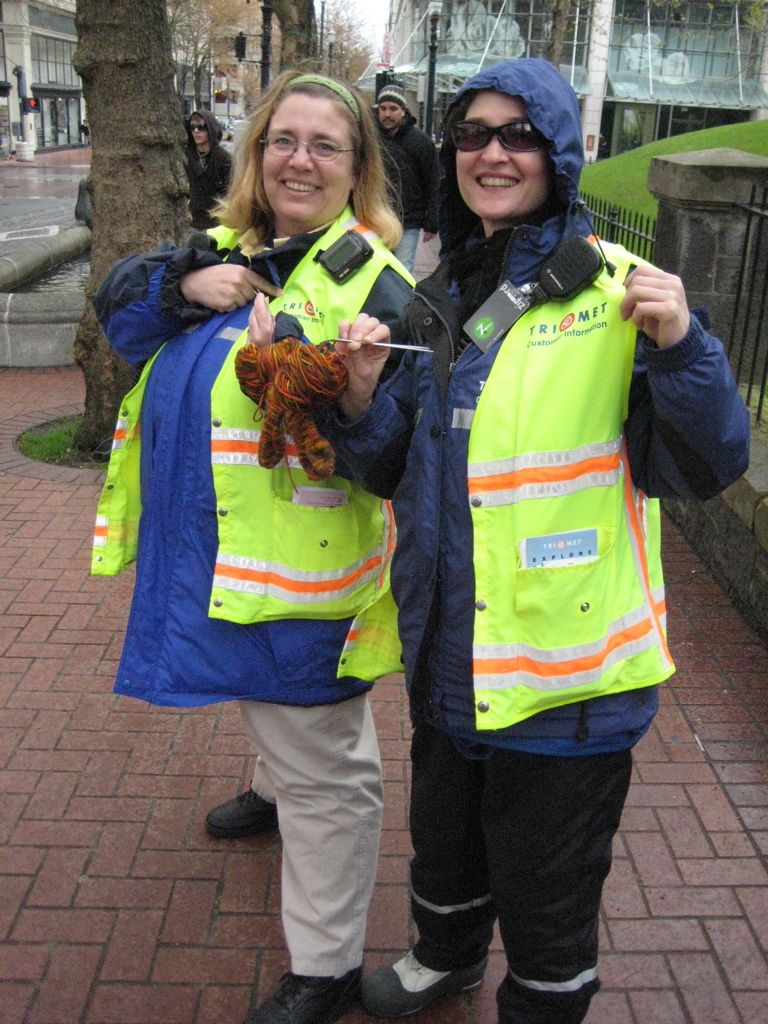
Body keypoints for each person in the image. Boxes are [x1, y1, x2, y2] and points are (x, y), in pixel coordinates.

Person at [311, 59, 750, 1024]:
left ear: (558, 153)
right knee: (447, 843)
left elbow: (706, 463)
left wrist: (684, 349)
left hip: (567, 680)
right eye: (473, 134)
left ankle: (541, 1003)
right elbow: (395, 467)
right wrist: (351, 396)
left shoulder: (624, 294)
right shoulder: (440, 293)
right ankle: (444, 955)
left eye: (518, 135)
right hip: (448, 652)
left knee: (548, 887)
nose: (493, 153)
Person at [91, 71, 413, 1024]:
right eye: (283, 140)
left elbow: (394, 455)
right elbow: (119, 314)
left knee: (332, 772)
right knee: (270, 715)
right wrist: (181, 284)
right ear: (255, 154)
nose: (299, 159)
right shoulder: (229, 249)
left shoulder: (376, 286)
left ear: (358, 170)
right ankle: (274, 789)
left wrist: (350, 392)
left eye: (325, 145)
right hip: (222, 556)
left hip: (305, 581)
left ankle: (324, 966)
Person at [375, 84, 439, 273]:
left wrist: (431, 222)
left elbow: (432, 181)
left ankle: (402, 303)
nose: (387, 114)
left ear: (403, 111)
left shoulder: (420, 142)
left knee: (402, 271)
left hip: (408, 222)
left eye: (393, 109)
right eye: (383, 108)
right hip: (376, 217)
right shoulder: (372, 140)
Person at [185, 108, 233, 229]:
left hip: (217, 223)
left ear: (210, 129)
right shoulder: (187, 156)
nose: (196, 131)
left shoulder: (224, 158)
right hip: (193, 221)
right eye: (192, 127)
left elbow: (230, 193)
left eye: (201, 127)